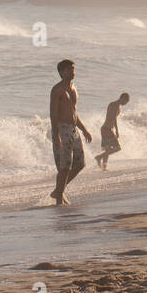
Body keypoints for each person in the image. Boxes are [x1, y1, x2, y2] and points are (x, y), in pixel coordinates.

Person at [49, 59, 92, 205]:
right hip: (62, 129)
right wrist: (56, 135)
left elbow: (73, 112)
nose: (73, 72)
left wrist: (84, 129)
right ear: (61, 72)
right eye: (69, 69)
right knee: (65, 165)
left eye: (73, 69)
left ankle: (58, 191)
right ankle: (59, 199)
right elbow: (53, 114)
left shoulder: (73, 88)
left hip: (73, 129)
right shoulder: (57, 90)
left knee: (80, 163)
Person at [95, 91, 130, 170]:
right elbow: (114, 118)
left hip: (105, 129)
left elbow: (112, 117)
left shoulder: (113, 104)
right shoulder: (115, 105)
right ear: (122, 98)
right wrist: (117, 130)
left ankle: (104, 167)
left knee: (108, 149)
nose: (126, 104)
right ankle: (99, 157)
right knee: (117, 148)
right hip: (107, 129)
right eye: (126, 101)